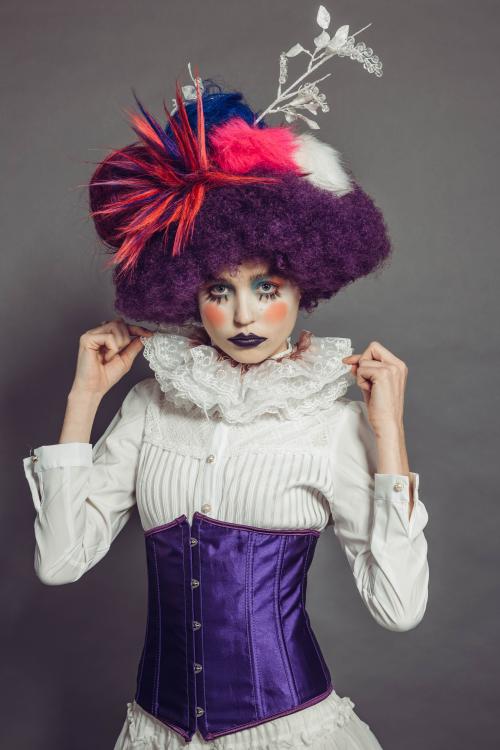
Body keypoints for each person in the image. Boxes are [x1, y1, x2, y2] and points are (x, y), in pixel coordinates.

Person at [22, 8, 429, 748]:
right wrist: (85, 401)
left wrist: (388, 435)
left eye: (268, 287)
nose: (244, 313)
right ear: (189, 296)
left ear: (304, 287)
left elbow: (398, 608)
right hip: (155, 730)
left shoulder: (331, 424)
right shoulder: (149, 407)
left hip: (286, 732)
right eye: (219, 290)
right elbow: (59, 562)